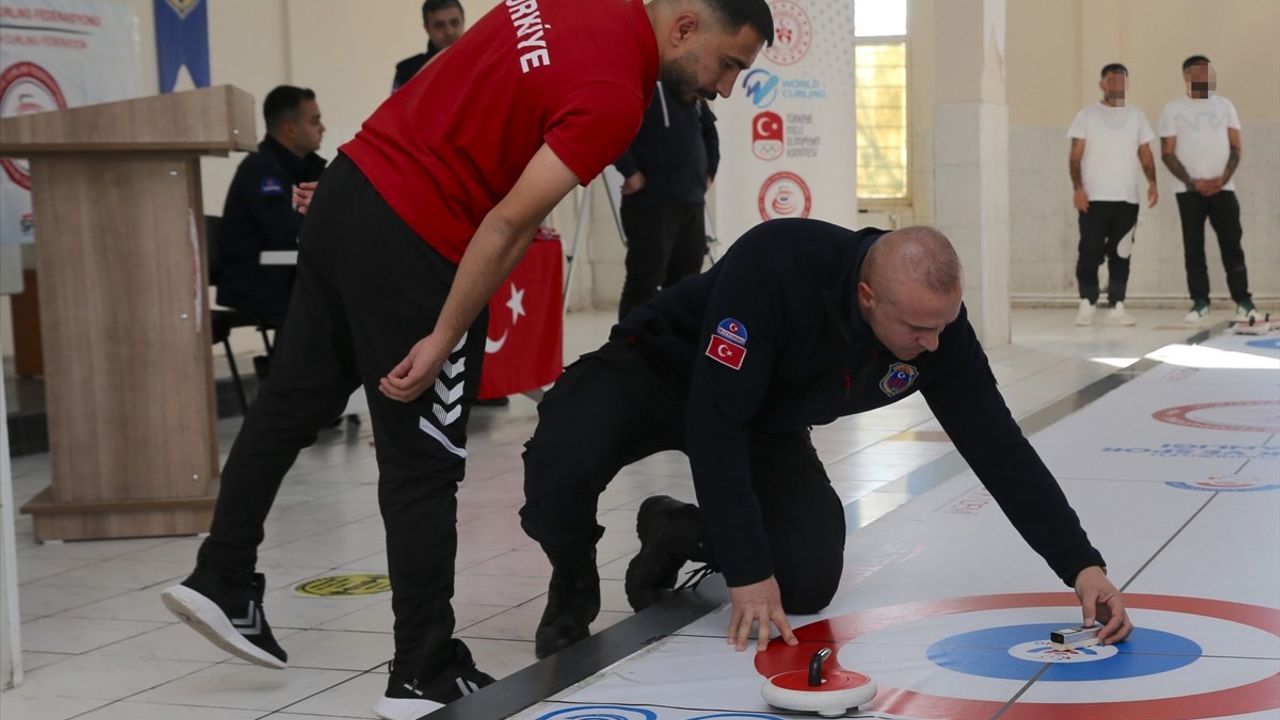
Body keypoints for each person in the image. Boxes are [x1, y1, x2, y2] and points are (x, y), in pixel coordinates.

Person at [161, 2, 773, 719]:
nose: (726, 89)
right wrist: (447, 331)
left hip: (350, 191)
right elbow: (510, 219)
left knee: (290, 402)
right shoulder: (616, 97)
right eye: (728, 65)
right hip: (418, 234)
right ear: (684, 28)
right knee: (423, 461)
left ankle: (222, 572)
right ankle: (422, 669)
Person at [521, 221, 1134, 660]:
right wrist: (746, 571)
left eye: (945, 326)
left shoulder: (936, 330)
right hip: (659, 371)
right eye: (919, 328)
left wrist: (1080, 563)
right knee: (561, 458)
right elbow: (715, 427)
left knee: (807, 580)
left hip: (764, 412)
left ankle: (677, 529)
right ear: (868, 297)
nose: (935, 346)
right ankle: (573, 583)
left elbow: (998, 446)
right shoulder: (779, 264)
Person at [1158, 55, 1258, 325]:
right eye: (1200, 72)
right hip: (1188, 191)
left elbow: (1236, 147)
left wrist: (1223, 179)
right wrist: (1192, 182)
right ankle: (1200, 301)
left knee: (1232, 245)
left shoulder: (1225, 105)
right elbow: (1167, 153)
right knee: (1194, 247)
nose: (1207, 76)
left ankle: (1244, 301)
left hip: (1224, 189)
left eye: (1209, 71)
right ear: (1187, 76)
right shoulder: (1173, 109)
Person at [215, 85, 326, 327]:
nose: (322, 128)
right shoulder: (264, 171)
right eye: (315, 121)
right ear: (290, 128)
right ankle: (289, 366)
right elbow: (288, 233)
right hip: (258, 282)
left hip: (280, 277)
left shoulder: (299, 168)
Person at [614, 83, 719, 321]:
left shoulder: (690, 87)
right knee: (644, 282)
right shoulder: (639, 86)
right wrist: (630, 171)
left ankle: (673, 347)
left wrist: (710, 170)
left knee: (686, 283)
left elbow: (709, 131)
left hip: (692, 201)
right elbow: (611, 129)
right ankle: (628, 350)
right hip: (650, 203)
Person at [1067, 63, 1157, 327]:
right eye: (1112, 80)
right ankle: (1087, 302)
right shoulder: (1087, 115)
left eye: (1122, 81)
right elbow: (1075, 157)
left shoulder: (1137, 116)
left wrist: (1153, 182)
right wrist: (1078, 189)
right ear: (1102, 84)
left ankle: (1118, 304)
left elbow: (1146, 153)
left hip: (1127, 199)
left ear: (1127, 85)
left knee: (1122, 253)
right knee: (1090, 251)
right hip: (1093, 199)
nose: (1117, 85)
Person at [392, 0, 466, 93]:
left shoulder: (480, 62)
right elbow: (397, 107)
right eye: (439, 25)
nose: (449, 31)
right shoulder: (408, 72)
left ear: (463, 21)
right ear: (427, 28)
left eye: (454, 23)